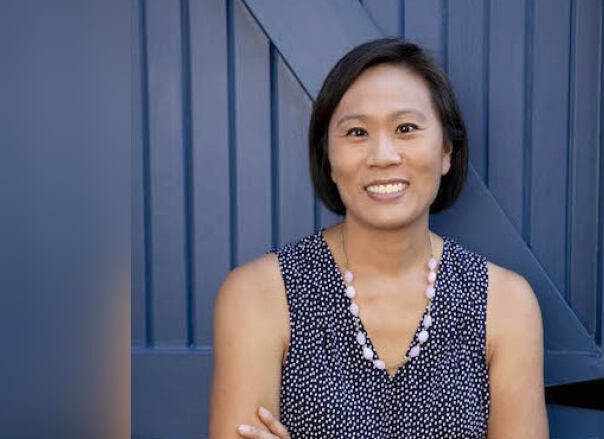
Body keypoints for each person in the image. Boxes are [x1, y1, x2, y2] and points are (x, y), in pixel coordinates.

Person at [209, 38, 547, 438]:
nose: (383, 155)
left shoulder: (505, 303)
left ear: (446, 153)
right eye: (356, 132)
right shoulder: (259, 295)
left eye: (406, 128)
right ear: (329, 160)